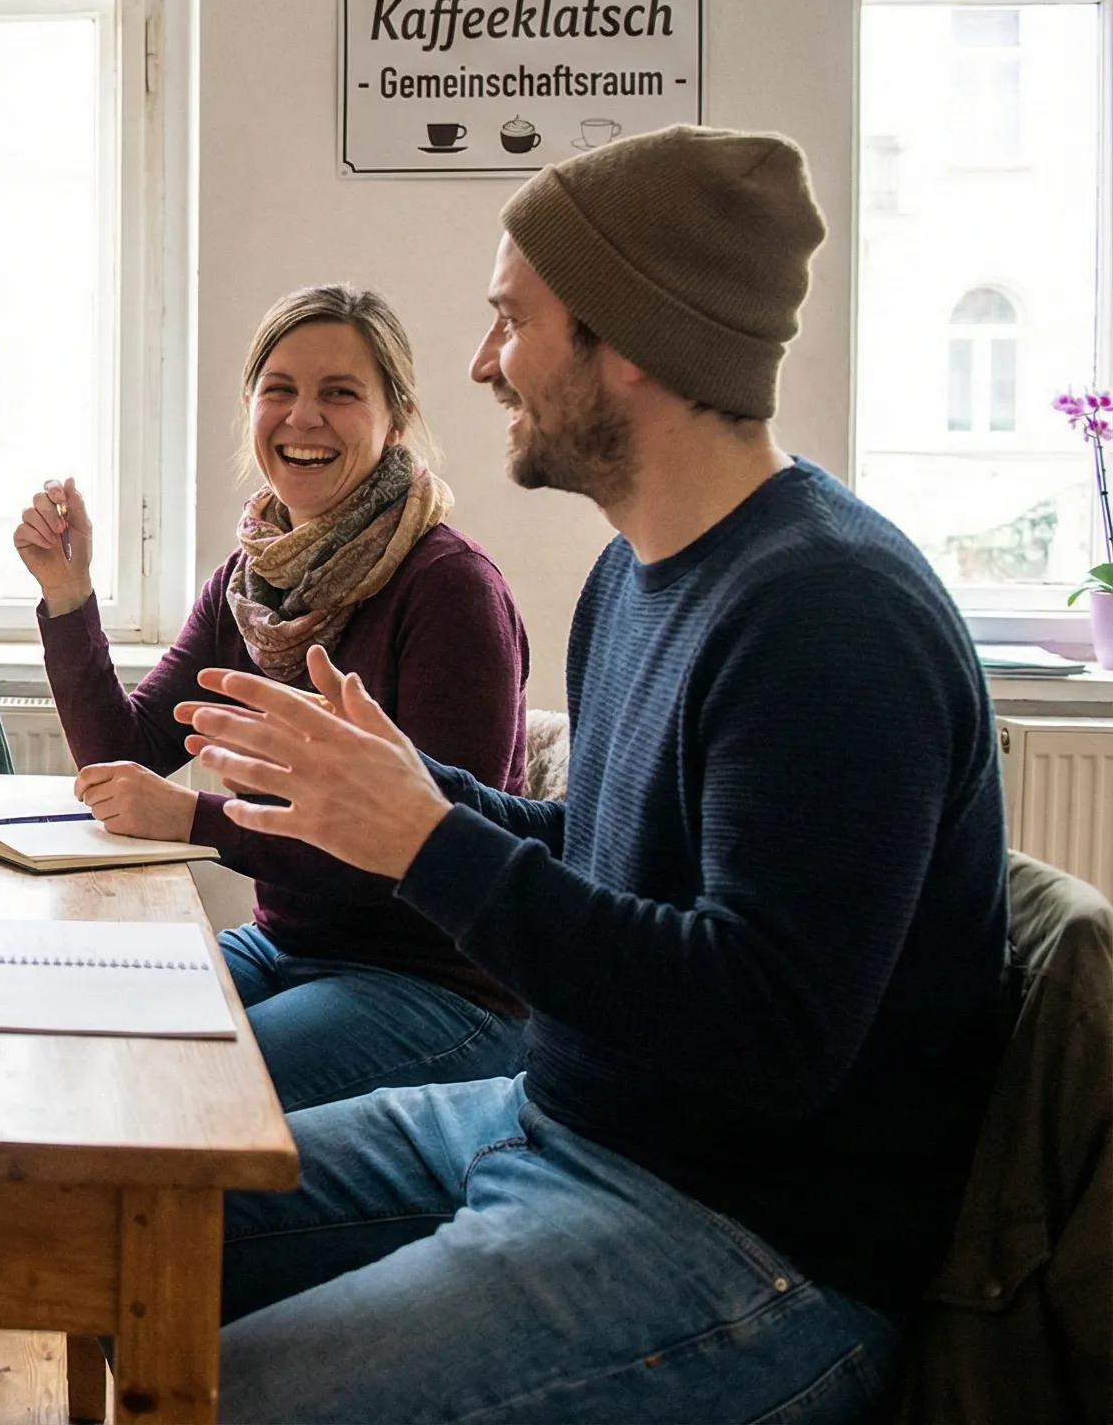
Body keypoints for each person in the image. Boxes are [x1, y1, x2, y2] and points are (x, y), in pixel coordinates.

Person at [178, 126, 1011, 1420]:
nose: (480, 363)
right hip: (558, 1122)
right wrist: (423, 793)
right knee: (142, 1228)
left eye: (512, 320)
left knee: (236, 1395)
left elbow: (766, 1028)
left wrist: (426, 841)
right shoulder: (638, 572)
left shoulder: (832, 617)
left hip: (756, 1239)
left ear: (626, 341)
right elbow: (606, 863)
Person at [17, 285, 530, 1110]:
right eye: (280, 389)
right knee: (81, 1047)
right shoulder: (250, 582)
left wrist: (191, 818)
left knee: (176, 1096)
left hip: (439, 985)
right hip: (287, 946)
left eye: (340, 393)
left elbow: (424, 848)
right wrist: (70, 598)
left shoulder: (451, 589)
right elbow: (128, 758)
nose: (303, 417)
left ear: (395, 419)